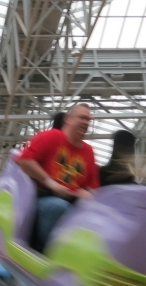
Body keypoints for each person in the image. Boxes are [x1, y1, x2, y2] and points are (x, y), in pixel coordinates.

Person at [17, 103, 99, 251]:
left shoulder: (89, 152)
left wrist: (87, 194)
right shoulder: (51, 137)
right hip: (43, 198)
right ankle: (50, 254)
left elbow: (92, 187)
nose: (86, 122)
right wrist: (51, 183)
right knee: (58, 207)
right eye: (82, 118)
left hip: (72, 203)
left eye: (88, 120)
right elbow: (25, 161)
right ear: (68, 119)